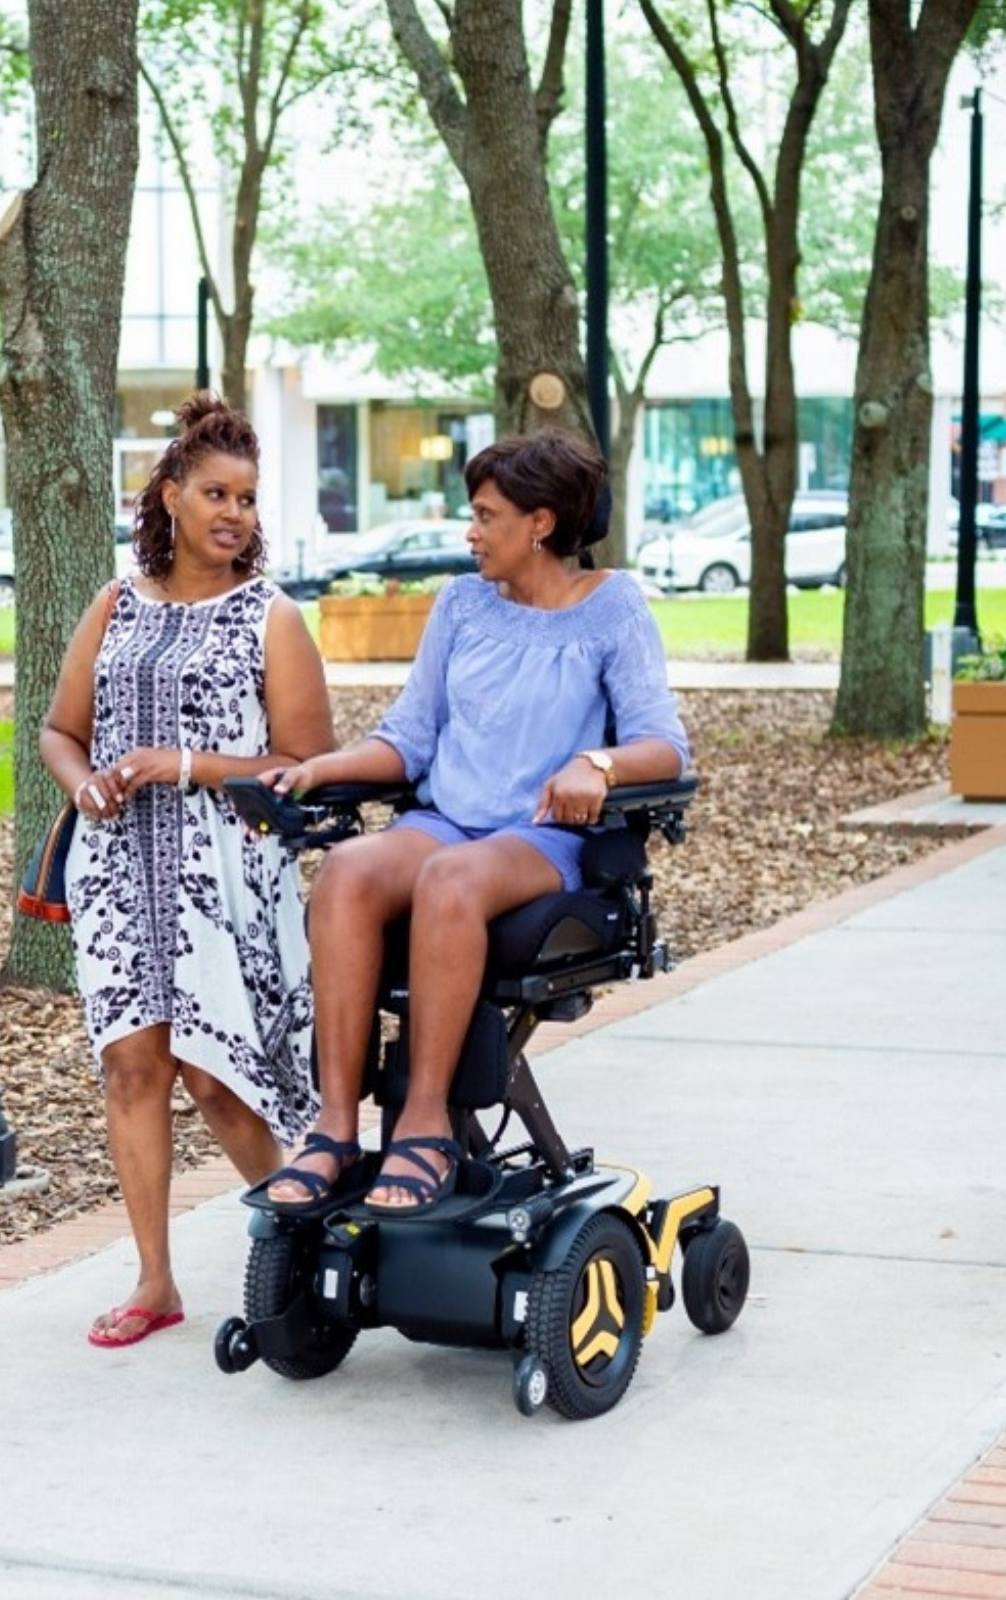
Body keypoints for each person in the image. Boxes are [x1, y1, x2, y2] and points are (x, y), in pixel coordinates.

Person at [263, 430, 690, 1215]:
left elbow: (663, 745)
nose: (470, 532)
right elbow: (409, 738)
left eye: (487, 516)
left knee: (449, 879)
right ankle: (332, 1128)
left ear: (542, 523)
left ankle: (424, 1122)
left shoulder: (612, 608)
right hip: (448, 819)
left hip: (542, 838)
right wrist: (326, 767)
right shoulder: (461, 604)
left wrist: (597, 766)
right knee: (352, 868)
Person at [40, 392, 334, 1347]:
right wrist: (84, 784)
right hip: (119, 867)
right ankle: (155, 1281)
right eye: (216, 493)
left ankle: (312, 1241)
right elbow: (59, 731)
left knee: (215, 1078)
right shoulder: (115, 602)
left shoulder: (272, 617)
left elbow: (306, 765)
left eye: (247, 499)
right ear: (168, 496)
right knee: (132, 1068)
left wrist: (184, 764)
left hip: (229, 870)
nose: (235, 515)